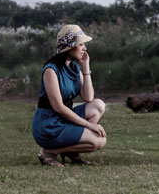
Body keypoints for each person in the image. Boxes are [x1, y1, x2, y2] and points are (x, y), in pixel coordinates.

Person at [32, 24, 106, 167]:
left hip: (64, 119)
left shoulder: (73, 68)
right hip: (49, 125)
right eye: (81, 44)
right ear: (70, 46)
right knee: (98, 141)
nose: (85, 48)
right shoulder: (50, 70)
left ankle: (69, 151)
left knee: (98, 105)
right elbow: (58, 107)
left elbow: (89, 97)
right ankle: (48, 152)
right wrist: (89, 125)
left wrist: (85, 67)